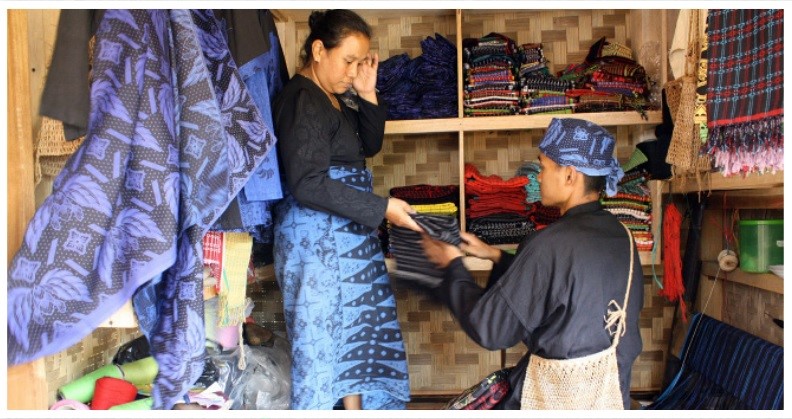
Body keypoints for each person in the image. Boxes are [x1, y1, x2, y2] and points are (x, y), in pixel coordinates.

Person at [421, 117, 644, 409]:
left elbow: (491, 329)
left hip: (554, 400)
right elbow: (567, 284)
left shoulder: (549, 243)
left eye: (543, 166)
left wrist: (452, 267)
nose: (537, 176)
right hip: (610, 397)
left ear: (569, 175)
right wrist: (496, 256)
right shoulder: (622, 236)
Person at [272, 9, 420, 410]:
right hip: (317, 241)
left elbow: (367, 147)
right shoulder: (301, 99)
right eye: (348, 61)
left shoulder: (333, 97)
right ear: (319, 50)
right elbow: (307, 183)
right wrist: (382, 207)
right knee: (321, 342)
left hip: (348, 232)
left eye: (360, 62)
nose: (353, 71)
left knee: (354, 334)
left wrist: (369, 94)